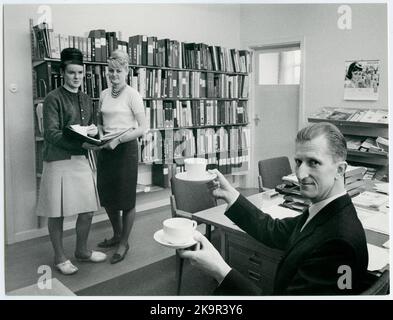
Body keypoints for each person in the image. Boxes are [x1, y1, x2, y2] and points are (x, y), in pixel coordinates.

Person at [179, 122, 369, 295]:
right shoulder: (326, 210)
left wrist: (220, 270)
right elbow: (275, 230)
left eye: (314, 162)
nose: (301, 174)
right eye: (298, 162)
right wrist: (232, 196)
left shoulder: (338, 243)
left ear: (340, 170)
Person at [36, 48, 107, 275]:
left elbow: (91, 128)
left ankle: (82, 251)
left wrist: (95, 133)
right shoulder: (52, 98)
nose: (76, 77)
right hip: (58, 161)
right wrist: (81, 143)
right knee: (57, 212)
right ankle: (59, 257)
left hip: (81, 160)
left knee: (87, 210)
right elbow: (51, 134)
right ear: (63, 73)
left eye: (80, 72)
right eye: (71, 73)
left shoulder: (86, 98)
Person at [95, 50, 148, 264]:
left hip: (125, 150)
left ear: (126, 71)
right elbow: (100, 121)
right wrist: (100, 137)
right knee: (107, 196)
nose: (114, 75)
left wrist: (118, 140)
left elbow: (144, 128)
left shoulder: (133, 95)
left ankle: (124, 242)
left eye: (118, 71)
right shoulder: (104, 94)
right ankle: (116, 234)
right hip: (106, 149)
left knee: (126, 199)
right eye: (110, 71)